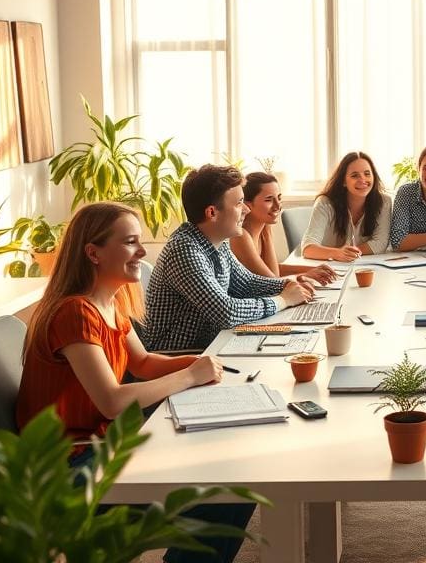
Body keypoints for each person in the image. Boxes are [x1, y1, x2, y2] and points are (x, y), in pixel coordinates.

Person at [16, 202, 254, 562]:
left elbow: (141, 363)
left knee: (237, 484)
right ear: (93, 253)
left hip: (104, 444)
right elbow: (111, 401)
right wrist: (189, 375)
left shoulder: (109, 302)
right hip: (72, 464)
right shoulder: (74, 312)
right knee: (222, 497)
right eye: (130, 242)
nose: (143, 252)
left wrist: (202, 363)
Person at [144, 165, 312, 352]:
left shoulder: (217, 241)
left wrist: (288, 285)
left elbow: (246, 283)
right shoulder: (184, 250)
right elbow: (226, 311)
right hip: (176, 358)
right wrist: (283, 300)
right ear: (212, 213)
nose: (246, 211)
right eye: (239, 203)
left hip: (211, 348)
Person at [230, 171, 336, 284]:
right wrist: (305, 275)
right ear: (247, 204)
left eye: (279, 198)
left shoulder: (264, 228)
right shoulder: (240, 237)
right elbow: (271, 281)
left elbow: (274, 270)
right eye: (269, 200)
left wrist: (313, 269)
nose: (277, 206)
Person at [301, 151, 392, 261]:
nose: (362, 180)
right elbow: (308, 249)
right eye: (355, 175)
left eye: (367, 174)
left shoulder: (384, 202)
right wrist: (337, 253)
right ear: (343, 181)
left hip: (364, 266)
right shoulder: (325, 203)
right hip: (327, 268)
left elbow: (380, 243)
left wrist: (348, 253)